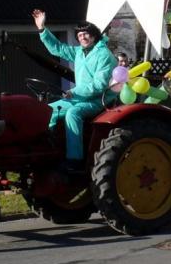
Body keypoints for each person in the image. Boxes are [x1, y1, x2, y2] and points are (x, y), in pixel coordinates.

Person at [32, 9, 117, 170]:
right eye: (79, 36)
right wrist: (42, 29)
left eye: (85, 34)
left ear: (93, 35)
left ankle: (75, 160)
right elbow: (57, 48)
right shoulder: (79, 52)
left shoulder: (104, 55)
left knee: (73, 114)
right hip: (78, 98)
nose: (82, 37)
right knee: (47, 110)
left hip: (99, 100)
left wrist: (75, 92)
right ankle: (49, 149)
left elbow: (99, 85)